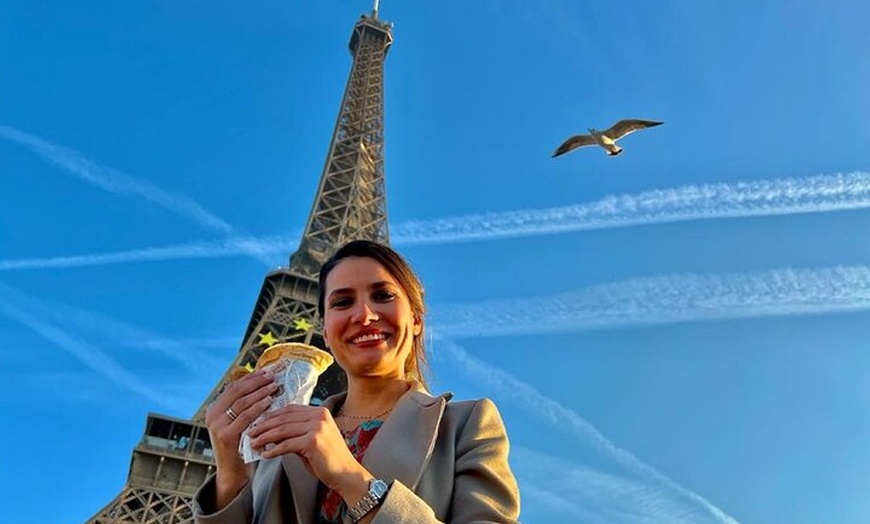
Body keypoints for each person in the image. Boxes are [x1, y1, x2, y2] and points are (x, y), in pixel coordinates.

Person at [194, 239, 520, 524]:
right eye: (342, 302)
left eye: (382, 295)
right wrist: (231, 479)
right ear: (325, 331)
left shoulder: (465, 426)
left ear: (417, 320)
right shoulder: (277, 446)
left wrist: (352, 480)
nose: (363, 315)